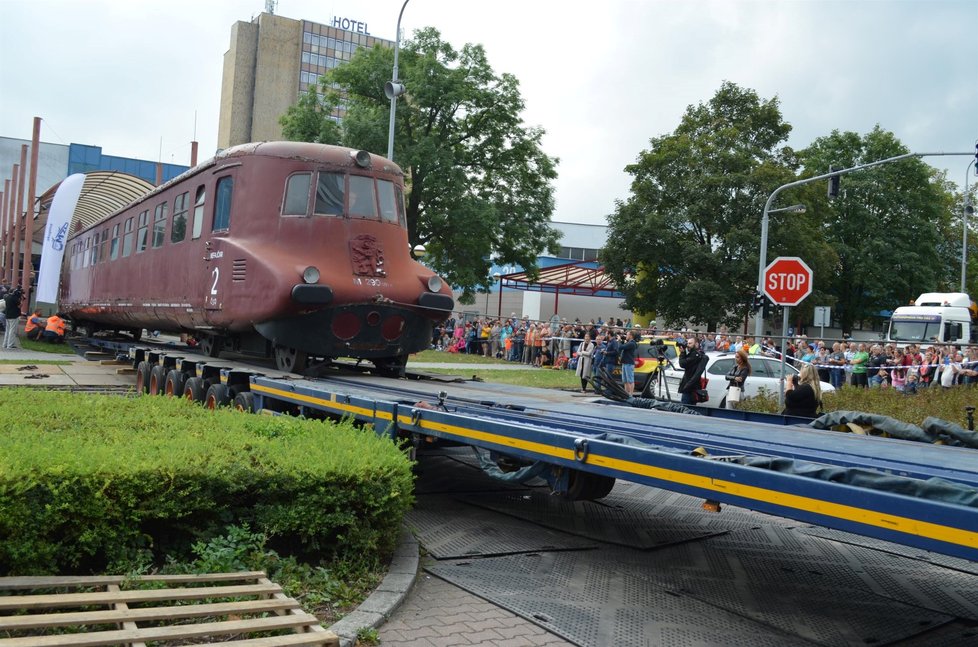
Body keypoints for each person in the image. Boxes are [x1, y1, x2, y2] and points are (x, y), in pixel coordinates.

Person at [677, 337, 706, 406]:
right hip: (691, 385)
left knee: (685, 407)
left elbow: (682, 364)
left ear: (696, 344)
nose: (688, 345)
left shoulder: (695, 355)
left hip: (690, 386)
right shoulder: (694, 354)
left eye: (690, 343)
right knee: (691, 407)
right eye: (687, 343)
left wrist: (682, 353)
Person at [619, 330, 640, 396]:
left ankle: (631, 394)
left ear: (631, 336)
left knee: (630, 380)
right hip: (625, 363)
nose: (626, 336)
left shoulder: (632, 343)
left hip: (629, 363)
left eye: (627, 335)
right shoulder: (628, 342)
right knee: (625, 380)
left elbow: (621, 347)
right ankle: (626, 393)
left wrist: (619, 340)